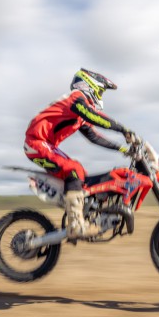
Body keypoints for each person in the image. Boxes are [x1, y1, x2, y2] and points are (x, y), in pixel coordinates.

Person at [24, 68, 137, 239]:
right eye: (100, 91)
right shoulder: (76, 99)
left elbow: (94, 137)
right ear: (89, 85)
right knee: (74, 169)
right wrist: (123, 129)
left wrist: (122, 149)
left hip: (46, 144)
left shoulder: (79, 111)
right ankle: (75, 225)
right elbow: (94, 116)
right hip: (36, 142)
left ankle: (84, 212)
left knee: (81, 174)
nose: (100, 96)